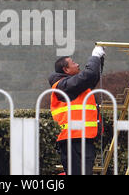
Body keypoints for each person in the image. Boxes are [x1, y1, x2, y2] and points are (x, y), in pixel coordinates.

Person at [48, 46, 105, 175]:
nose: (77, 64)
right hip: (71, 140)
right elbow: (88, 75)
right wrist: (94, 57)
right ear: (66, 69)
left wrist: (99, 60)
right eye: (73, 63)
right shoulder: (62, 85)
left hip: (83, 138)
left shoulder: (75, 85)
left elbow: (92, 76)